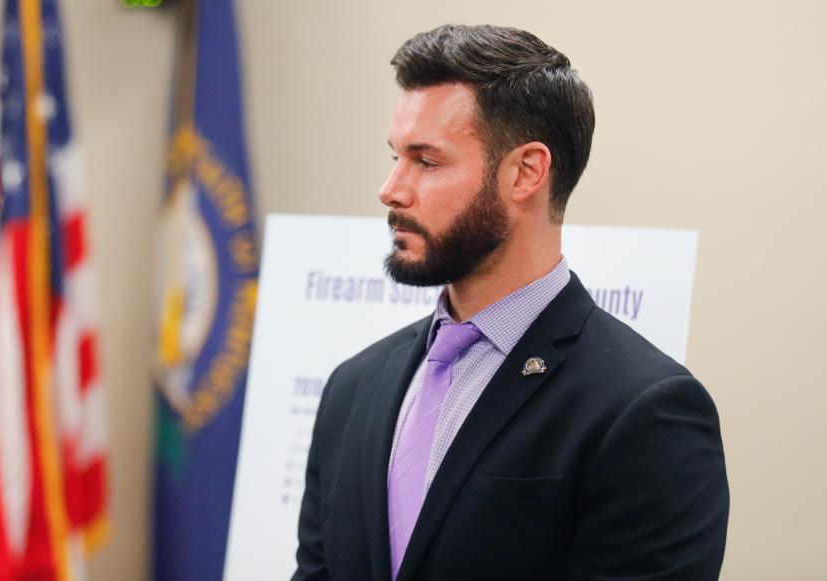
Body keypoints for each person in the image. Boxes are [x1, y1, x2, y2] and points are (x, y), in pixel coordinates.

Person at [292, 24, 729, 581]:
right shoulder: (353, 388)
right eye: (396, 156)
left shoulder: (645, 410)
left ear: (526, 172)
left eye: (426, 161)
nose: (391, 189)